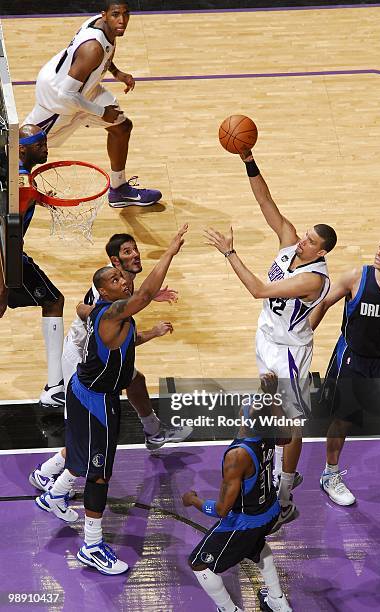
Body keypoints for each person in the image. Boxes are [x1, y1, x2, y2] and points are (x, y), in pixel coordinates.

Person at [34, 225, 188, 575]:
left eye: (123, 278)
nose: (125, 280)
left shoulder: (113, 312)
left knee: (81, 454)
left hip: (88, 389)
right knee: (99, 474)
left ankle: (54, 494)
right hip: (94, 398)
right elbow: (144, 294)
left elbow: (119, 330)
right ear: (103, 292)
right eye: (117, 279)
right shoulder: (111, 311)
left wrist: (150, 331)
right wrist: (169, 252)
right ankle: (91, 545)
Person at [204, 148, 337, 529]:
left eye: (310, 241)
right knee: (270, 411)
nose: (302, 242)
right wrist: (248, 159)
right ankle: (266, 472)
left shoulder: (315, 278)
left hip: (289, 354)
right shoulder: (290, 243)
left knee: (291, 424)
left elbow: (260, 291)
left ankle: (285, 494)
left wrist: (230, 253)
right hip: (265, 338)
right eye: (305, 235)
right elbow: (266, 201)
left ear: (321, 251)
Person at [24, 1, 161, 209]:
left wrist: (117, 73)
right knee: (20, 148)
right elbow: (66, 94)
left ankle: (119, 189)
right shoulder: (93, 48)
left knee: (122, 127)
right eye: (116, 15)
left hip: (83, 92)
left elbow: (106, 54)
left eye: (126, 14)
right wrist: (101, 112)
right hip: (57, 102)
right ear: (104, 15)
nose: (122, 20)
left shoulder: (103, 27)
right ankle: (12, 195)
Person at [310, 236, 380, 506]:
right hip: (353, 356)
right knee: (343, 420)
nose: (378, 253)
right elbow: (323, 302)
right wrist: (305, 333)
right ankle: (329, 474)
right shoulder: (357, 276)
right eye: (379, 246)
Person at [182, 379, 292, 612]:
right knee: (257, 546)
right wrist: (271, 396)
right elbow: (287, 436)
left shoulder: (238, 456)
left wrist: (194, 501)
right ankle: (278, 601)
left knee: (199, 563)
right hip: (270, 510)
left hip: (246, 522)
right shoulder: (270, 433)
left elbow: (222, 510)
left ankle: (229, 610)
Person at [0, 125, 65, 408]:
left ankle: (55, 386)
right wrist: (3, 280)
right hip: (6, 257)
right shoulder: (21, 184)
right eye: (40, 144)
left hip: (9, 252)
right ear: (22, 148)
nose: (46, 148)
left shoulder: (10, 167)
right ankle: (53, 388)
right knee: (52, 301)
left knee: (53, 299)